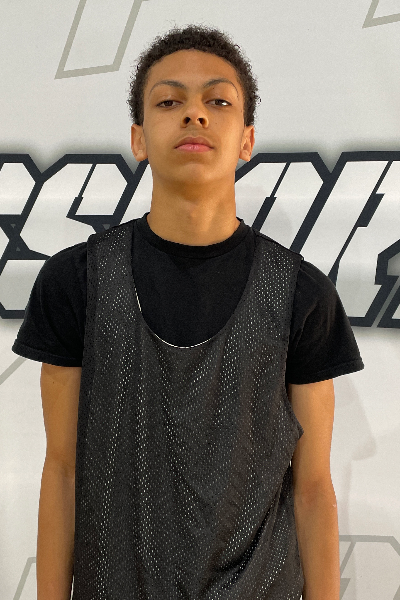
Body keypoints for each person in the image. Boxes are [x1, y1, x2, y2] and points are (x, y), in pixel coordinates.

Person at [12, 24, 364, 600]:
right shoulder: (76, 282)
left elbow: (312, 489)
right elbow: (63, 472)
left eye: (218, 102)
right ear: (139, 138)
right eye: (169, 101)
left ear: (247, 140)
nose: (195, 114)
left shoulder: (302, 293)